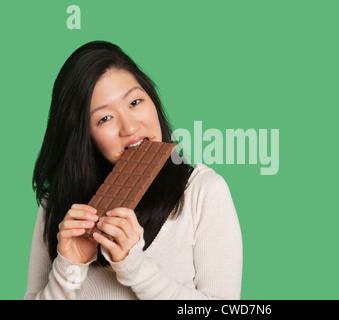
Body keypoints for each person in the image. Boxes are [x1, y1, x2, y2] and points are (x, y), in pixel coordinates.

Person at [24, 41, 243, 300]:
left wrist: (136, 268)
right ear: (83, 135)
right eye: (104, 118)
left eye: (135, 102)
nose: (129, 127)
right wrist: (68, 269)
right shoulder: (58, 205)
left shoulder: (202, 192)